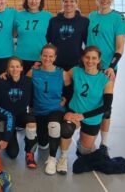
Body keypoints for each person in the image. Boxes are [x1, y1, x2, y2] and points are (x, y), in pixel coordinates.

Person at [59, 46, 114, 173]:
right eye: (87, 57)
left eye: (94, 58)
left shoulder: (106, 80)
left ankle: (82, 141)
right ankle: (63, 157)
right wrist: (64, 101)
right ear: (83, 58)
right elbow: (59, 78)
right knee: (66, 129)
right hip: (74, 111)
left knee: (84, 151)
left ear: (99, 60)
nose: (90, 61)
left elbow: (106, 107)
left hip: (92, 118)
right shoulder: (75, 71)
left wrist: (83, 116)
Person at [86, 0, 125, 155]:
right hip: (89, 67)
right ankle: (87, 135)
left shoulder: (118, 18)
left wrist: (110, 67)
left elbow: (119, 47)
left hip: (107, 69)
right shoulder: (91, 16)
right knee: (90, 100)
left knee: (106, 106)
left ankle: (104, 143)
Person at [0, 57, 38, 169]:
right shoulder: (1, 81)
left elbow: (35, 99)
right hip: (6, 118)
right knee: (13, 153)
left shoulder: (28, 82)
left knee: (31, 122)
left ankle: (29, 153)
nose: (15, 69)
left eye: (17, 66)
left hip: (21, 116)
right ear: (7, 68)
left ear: (22, 68)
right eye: (12, 66)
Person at [26, 44, 70, 175]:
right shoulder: (33, 71)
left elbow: (71, 88)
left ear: (55, 57)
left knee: (54, 126)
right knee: (42, 144)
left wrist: (66, 98)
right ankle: (40, 145)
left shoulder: (62, 73)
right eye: (45, 55)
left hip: (55, 109)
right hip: (38, 111)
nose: (47, 58)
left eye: (51, 56)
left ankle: (52, 159)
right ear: (40, 56)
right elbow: (22, 85)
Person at [46, 0, 89, 71]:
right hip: (56, 62)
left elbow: (88, 43)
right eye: (66, 1)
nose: (68, 4)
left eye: (72, 1)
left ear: (76, 3)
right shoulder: (54, 21)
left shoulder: (84, 21)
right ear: (62, 3)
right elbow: (48, 41)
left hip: (76, 63)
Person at [15, 0, 52, 74]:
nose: (33, 1)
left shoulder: (48, 16)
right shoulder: (18, 15)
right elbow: (13, 34)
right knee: (23, 85)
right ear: (27, 0)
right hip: (20, 58)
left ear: (41, 0)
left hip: (40, 58)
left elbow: (51, 38)